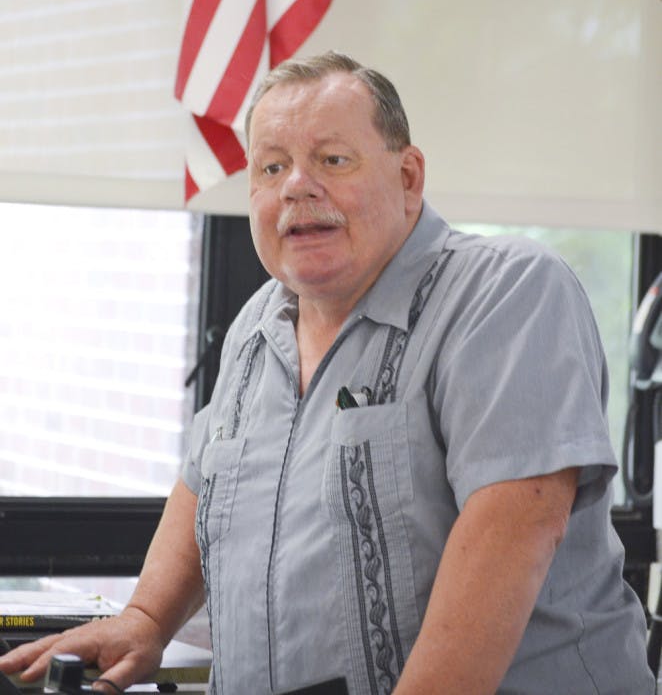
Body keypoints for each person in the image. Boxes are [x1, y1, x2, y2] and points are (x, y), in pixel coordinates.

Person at [0, 52, 654, 694]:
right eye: (271, 167)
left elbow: (513, 531)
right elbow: (204, 481)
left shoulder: (507, 292)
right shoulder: (256, 325)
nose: (296, 186)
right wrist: (144, 619)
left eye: (333, 160)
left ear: (409, 177)